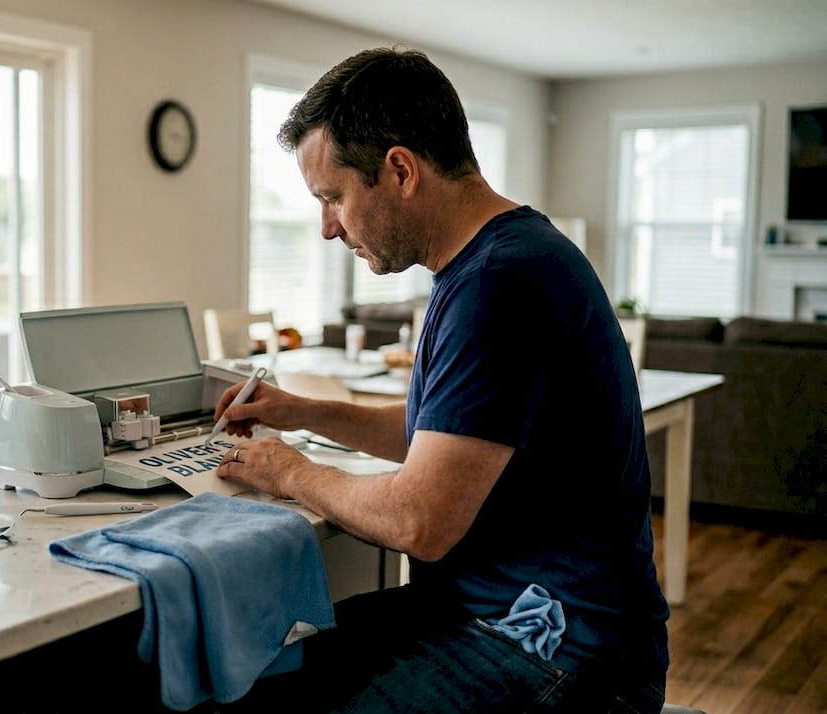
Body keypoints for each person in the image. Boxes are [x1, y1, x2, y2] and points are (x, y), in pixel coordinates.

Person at [213, 47, 668, 713]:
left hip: (560, 654)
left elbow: (418, 519)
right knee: (251, 675)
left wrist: (287, 472)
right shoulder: (499, 259)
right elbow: (447, 440)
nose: (327, 228)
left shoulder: (499, 283)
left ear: (399, 170)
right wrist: (301, 411)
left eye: (334, 197)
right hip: (489, 618)